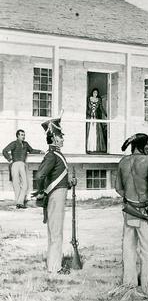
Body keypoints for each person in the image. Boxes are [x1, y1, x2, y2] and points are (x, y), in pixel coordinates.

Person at [115, 133, 148, 296]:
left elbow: (118, 188)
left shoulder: (123, 162)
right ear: (141, 145)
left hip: (129, 210)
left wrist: (129, 199)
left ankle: (128, 284)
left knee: (128, 248)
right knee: (147, 250)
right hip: (144, 210)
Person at [34, 117, 76, 274]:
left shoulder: (57, 154)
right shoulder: (52, 155)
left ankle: (53, 266)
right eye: (60, 136)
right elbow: (39, 176)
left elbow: (57, 177)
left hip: (59, 194)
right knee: (56, 233)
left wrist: (70, 182)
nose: (63, 138)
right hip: (55, 197)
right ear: (53, 138)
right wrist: (40, 192)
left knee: (55, 232)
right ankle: (55, 268)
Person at [3, 129, 43, 208]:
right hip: (14, 164)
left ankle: (19, 202)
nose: (23, 136)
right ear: (17, 136)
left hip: (22, 164)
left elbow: (31, 150)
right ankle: (20, 204)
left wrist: (39, 151)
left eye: (24, 135)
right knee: (16, 184)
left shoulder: (25, 144)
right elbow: (4, 151)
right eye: (21, 135)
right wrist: (9, 159)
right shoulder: (14, 143)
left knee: (25, 184)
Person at [86, 88, 107, 153]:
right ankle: (89, 147)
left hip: (96, 117)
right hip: (90, 117)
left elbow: (101, 108)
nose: (95, 94)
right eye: (94, 92)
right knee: (89, 131)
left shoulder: (99, 100)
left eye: (96, 93)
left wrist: (106, 114)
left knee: (97, 132)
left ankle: (96, 148)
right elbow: (86, 108)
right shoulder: (89, 99)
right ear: (92, 93)